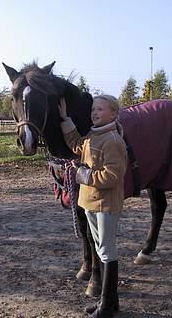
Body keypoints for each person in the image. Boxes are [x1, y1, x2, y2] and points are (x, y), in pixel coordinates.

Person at [58, 95, 127, 318]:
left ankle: (106, 306)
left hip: (105, 204)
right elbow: (77, 145)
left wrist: (82, 174)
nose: (94, 113)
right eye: (93, 109)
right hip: (90, 202)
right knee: (100, 249)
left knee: (106, 250)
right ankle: (110, 302)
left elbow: (112, 176)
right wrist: (65, 119)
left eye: (100, 109)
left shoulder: (113, 141)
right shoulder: (92, 137)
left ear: (113, 114)